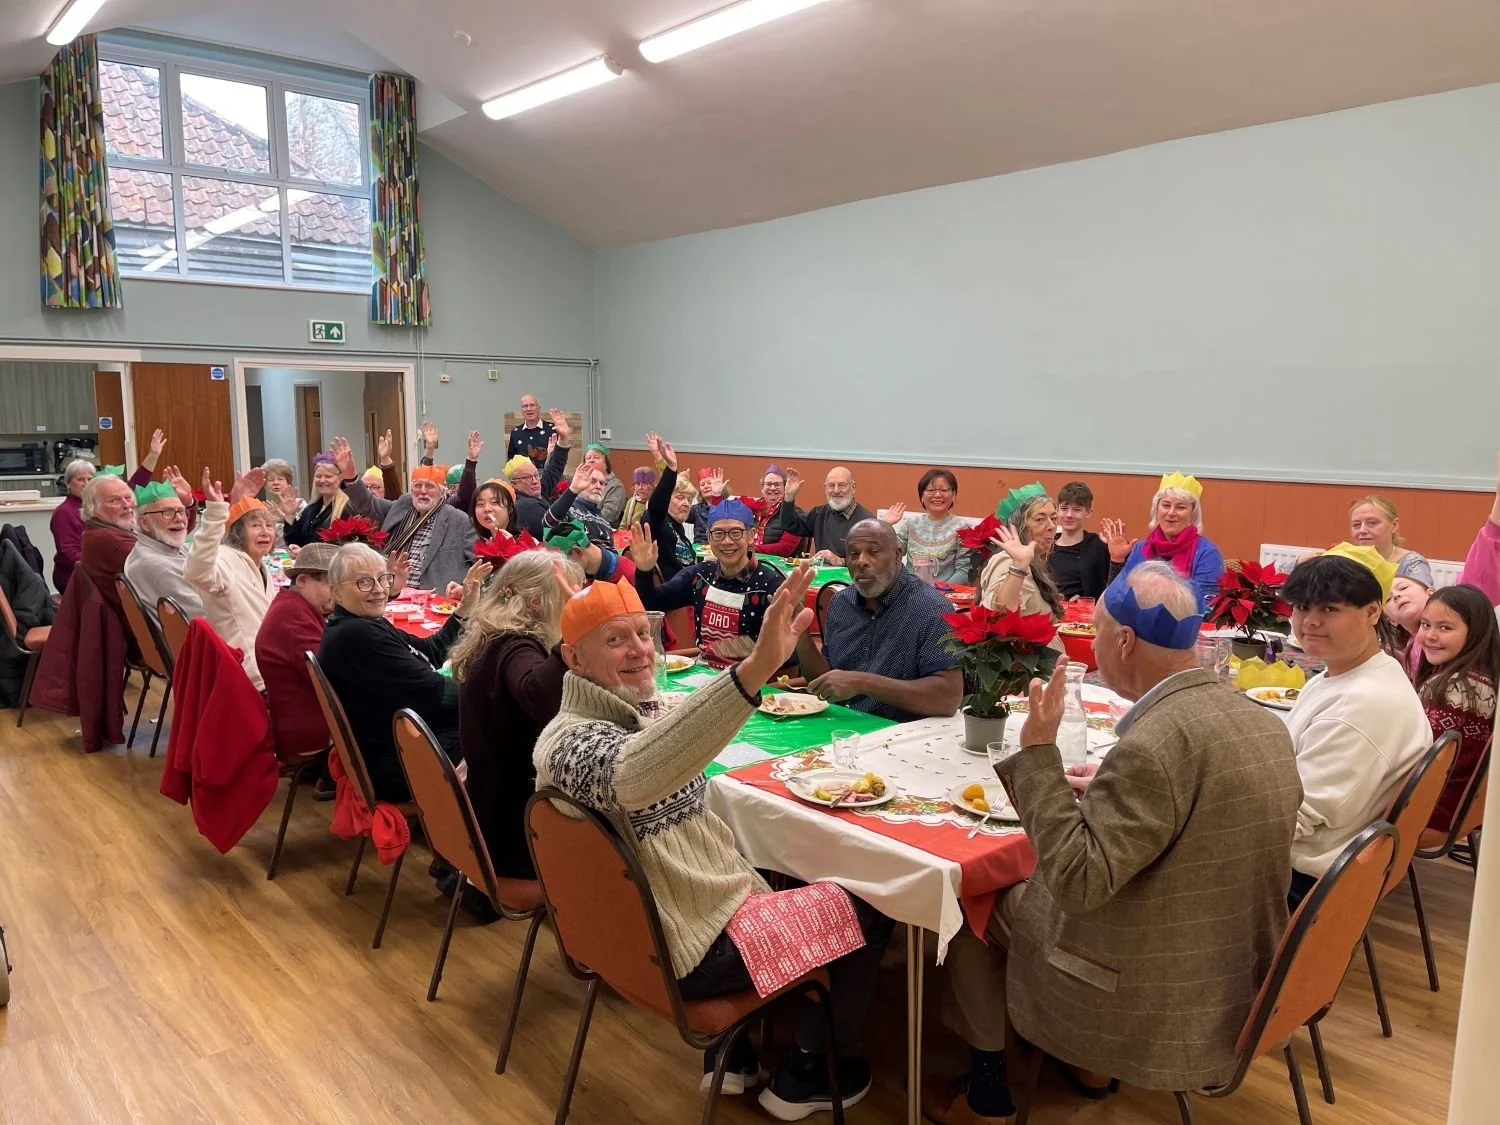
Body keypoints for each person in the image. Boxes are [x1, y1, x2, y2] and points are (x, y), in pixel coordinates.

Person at [927, 563, 1301, 1124]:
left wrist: (1037, 756)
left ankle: (991, 1092)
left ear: (1124, 640)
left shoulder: (1154, 743)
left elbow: (1078, 883)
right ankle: (1082, 1067)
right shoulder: (1261, 722)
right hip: (1229, 963)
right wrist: (1108, 785)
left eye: (1096, 634)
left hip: (1143, 986)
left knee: (972, 901)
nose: (1091, 646)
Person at [533, 570, 894, 1116]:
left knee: (776, 862)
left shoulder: (631, 712)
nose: (640, 651)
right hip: (687, 950)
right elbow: (633, 776)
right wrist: (754, 671)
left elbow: (672, 731)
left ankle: (736, 1055)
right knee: (873, 898)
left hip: (663, 930)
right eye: (615, 639)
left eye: (642, 632)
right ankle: (812, 1073)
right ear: (575, 660)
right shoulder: (566, 743)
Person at [1281, 551, 1430, 908]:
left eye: (1329, 609)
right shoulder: (1366, 670)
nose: (1310, 621)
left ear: (1372, 611)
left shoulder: (1359, 707)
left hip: (1302, 879)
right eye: (1302, 608)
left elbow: (1294, 819)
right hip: (1322, 855)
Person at [450, 549, 583, 879]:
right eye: (569, 596)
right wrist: (577, 632)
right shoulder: (516, 645)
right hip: (517, 832)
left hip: (490, 811)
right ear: (539, 601)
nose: (575, 603)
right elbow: (539, 696)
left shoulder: (491, 635)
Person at [318, 545, 487, 800]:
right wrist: (494, 691)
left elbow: (429, 650)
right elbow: (439, 693)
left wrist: (464, 608)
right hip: (397, 763)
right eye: (364, 582)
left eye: (382, 578)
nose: (378, 589)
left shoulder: (362, 622)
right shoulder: (357, 636)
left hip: (393, 745)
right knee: (495, 730)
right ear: (336, 591)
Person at [796, 520, 962, 721]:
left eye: (873, 552)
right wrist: (801, 635)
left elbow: (948, 699)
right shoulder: (841, 603)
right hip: (842, 728)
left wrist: (862, 683)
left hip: (900, 736)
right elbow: (825, 682)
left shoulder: (931, 609)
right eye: (853, 554)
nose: (861, 562)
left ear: (897, 555)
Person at [629, 500, 785, 667]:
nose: (726, 541)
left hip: (752, 684)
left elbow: (786, 655)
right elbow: (652, 603)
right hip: (704, 676)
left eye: (736, 533)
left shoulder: (770, 585)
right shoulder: (700, 576)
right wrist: (644, 572)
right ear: (709, 537)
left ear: (751, 535)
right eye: (718, 533)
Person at [334, 436, 477, 592]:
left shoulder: (459, 520)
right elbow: (368, 504)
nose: (422, 491)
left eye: (429, 486)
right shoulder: (402, 506)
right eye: (418, 485)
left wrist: (465, 588)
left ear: (442, 492)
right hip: (392, 593)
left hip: (435, 600)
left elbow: (478, 563)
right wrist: (350, 477)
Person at [1410, 584, 1499, 831]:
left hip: (1433, 810)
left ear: (1476, 633)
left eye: (1445, 628)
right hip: (1456, 805)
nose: (1429, 635)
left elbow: (1417, 757)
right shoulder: (1479, 676)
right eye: (1425, 624)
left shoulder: (1456, 689)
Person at [185, 468, 277, 691]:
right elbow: (196, 571)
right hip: (248, 676)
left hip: (268, 663)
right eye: (255, 526)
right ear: (237, 532)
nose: (265, 532)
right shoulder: (225, 560)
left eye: (269, 526)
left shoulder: (258, 564)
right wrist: (216, 514)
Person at [254, 542, 339, 763]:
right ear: (302, 580)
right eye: (332, 587)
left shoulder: (291, 604)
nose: (338, 596)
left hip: (297, 724)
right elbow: (335, 678)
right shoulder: (295, 619)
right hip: (312, 736)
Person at [1101, 471, 1225, 611]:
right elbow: (1114, 600)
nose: (1171, 513)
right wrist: (1117, 559)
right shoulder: (1140, 549)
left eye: (1180, 507)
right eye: (1166, 505)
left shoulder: (1206, 553)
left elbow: (1207, 608)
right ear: (1156, 510)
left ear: (1193, 514)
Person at [979, 485, 1065, 666]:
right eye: (1040, 519)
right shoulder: (1007, 561)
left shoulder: (1034, 562)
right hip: (1022, 679)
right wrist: (1018, 566)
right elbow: (997, 614)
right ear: (1018, 527)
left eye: (1054, 518)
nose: (1051, 526)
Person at [124, 471, 204, 621]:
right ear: (144, 523)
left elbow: (200, 551)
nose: (179, 519)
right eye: (167, 512)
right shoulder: (158, 566)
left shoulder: (164, 546)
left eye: (181, 511)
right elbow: (206, 615)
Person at [884, 468, 974, 584]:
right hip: (911, 591)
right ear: (921, 496)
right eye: (931, 490)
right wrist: (885, 526)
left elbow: (964, 571)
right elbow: (890, 556)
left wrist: (939, 593)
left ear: (953, 495)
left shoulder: (963, 528)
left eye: (944, 490)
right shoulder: (911, 524)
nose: (937, 495)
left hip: (945, 594)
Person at [777, 466, 874, 565]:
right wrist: (789, 497)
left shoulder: (867, 522)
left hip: (849, 579)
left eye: (841, 485)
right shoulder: (819, 514)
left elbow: (872, 560)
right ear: (825, 489)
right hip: (820, 578)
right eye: (831, 485)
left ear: (853, 488)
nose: (836, 491)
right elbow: (789, 524)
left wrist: (841, 561)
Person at [78, 472, 140, 618]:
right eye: (114, 501)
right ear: (93, 507)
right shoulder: (114, 542)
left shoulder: (99, 530)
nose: (126, 505)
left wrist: (188, 504)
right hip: (133, 628)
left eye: (128, 497)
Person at [505, 409, 571, 538]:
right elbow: (553, 535)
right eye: (527, 478)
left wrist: (563, 438)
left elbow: (553, 469)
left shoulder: (537, 492)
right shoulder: (525, 506)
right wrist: (573, 491)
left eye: (536, 475)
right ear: (514, 484)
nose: (535, 481)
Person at [643, 433, 698, 581]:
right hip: (674, 596)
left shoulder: (678, 528)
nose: (686, 503)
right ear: (667, 498)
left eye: (689, 499)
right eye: (680, 498)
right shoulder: (657, 521)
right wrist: (671, 468)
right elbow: (657, 503)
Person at [1349, 495, 1433, 587]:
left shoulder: (1412, 563)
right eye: (1356, 524)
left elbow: (1421, 599)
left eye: (1372, 523)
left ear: (1394, 526)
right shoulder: (1346, 561)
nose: (1362, 530)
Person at [1049, 481, 1110, 600]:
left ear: (1088, 512)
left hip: (1088, 615)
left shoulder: (1098, 545)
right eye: (1064, 508)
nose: (1069, 515)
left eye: (1076, 509)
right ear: (1057, 510)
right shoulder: (1046, 547)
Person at [49, 458, 97, 594]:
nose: (86, 484)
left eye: (90, 479)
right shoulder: (64, 512)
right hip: (73, 576)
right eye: (80, 479)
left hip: (89, 571)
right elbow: (68, 552)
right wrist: (99, 566)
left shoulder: (95, 507)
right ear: (68, 484)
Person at [283, 453, 350, 548]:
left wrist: (306, 553)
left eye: (328, 476)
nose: (322, 480)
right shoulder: (311, 509)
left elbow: (345, 547)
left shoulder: (347, 508)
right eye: (318, 476)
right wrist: (290, 515)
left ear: (340, 478)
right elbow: (295, 541)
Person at [545, 461, 616, 549]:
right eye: (592, 481)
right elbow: (549, 521)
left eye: (601, 483)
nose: (598, 486)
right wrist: (573, 490)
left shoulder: (605, 522)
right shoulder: (567, 509)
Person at [544, 521, 634, 586]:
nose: (561, 570)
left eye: (563, 563)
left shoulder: (628, 578)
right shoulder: (588, 576)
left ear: (577, 552)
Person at [742, 465, 803, 558]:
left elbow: (785, 548)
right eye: (769, 484)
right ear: (762, 488)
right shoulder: (752, 508)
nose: (773, 488)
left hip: (779, 567)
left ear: (785, 488)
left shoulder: (795, 513)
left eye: (777, 484)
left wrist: (749, 549)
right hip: (747, 559)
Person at [582, 442, 627, 527]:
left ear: (606, 464)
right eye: (588, 458)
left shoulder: (615, 486)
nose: (591, 460)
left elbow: (608, 516)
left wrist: (583, 521)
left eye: (596, 457)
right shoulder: (580, 483)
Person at [507, 394, 555, 467]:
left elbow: (560, 457)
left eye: (532, 405)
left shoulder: (552, 429)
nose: (529, 409)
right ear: (521, 410)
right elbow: (511, 460)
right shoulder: (516, 432)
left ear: (539, 408)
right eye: (525, 406)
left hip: (548, 475)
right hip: (523, 477)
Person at [619, 466, 656, 531]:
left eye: (644, 483)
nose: (640, 487)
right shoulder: (631, 502)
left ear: (652, 485)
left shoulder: (655, 503)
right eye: (637, 484)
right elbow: (623, 526)